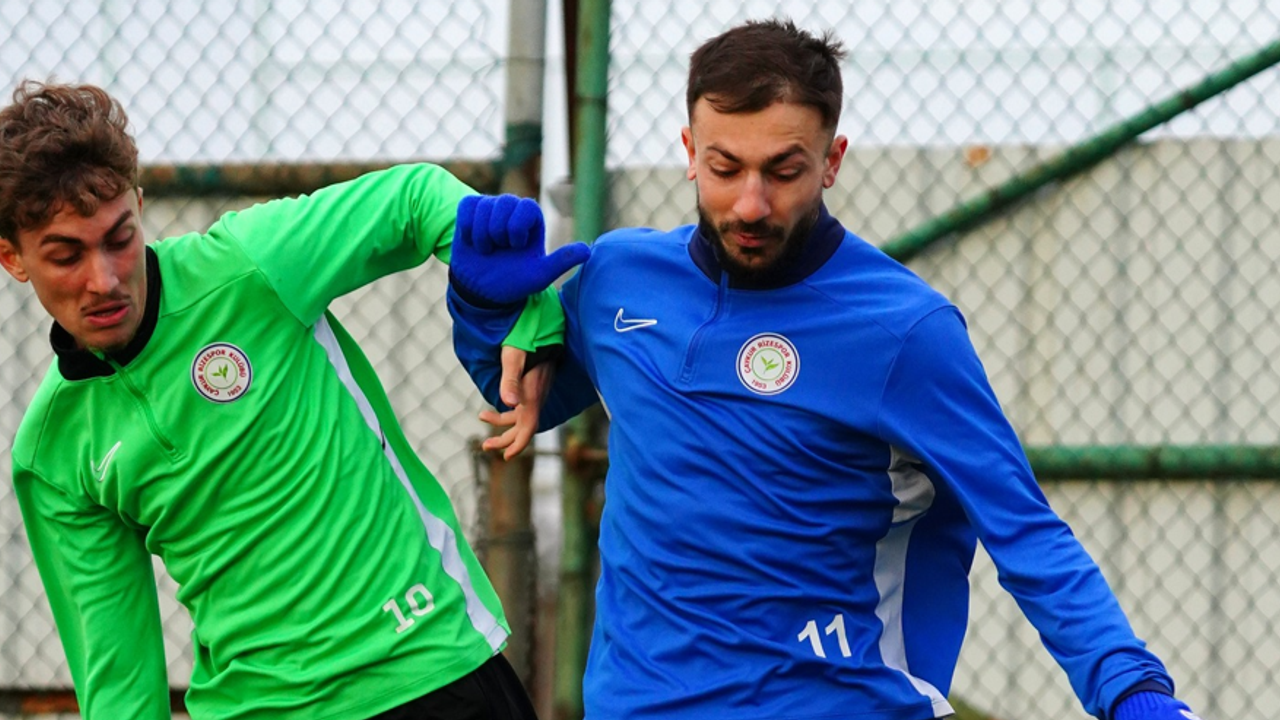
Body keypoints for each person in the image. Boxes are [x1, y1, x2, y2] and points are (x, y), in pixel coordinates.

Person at [445, 19, 1203, 720]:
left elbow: (1024, 529)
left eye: (784, 170)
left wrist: (1129, 689)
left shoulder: (904, 331)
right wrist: (483, 308)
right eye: (725, 167)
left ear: (831, 161)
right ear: (689, 152)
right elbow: (519, 399)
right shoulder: (617, 278)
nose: (751, 203)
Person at [0, 80, 559, 720]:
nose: (103, 279)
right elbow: (119, 680)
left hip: (424, 665)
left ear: (140, 206)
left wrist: (518, 316)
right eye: (66, 255)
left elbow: (414, 199)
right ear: (12, 257)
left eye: (119, 238)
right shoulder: (51, 453)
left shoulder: (249, 264)